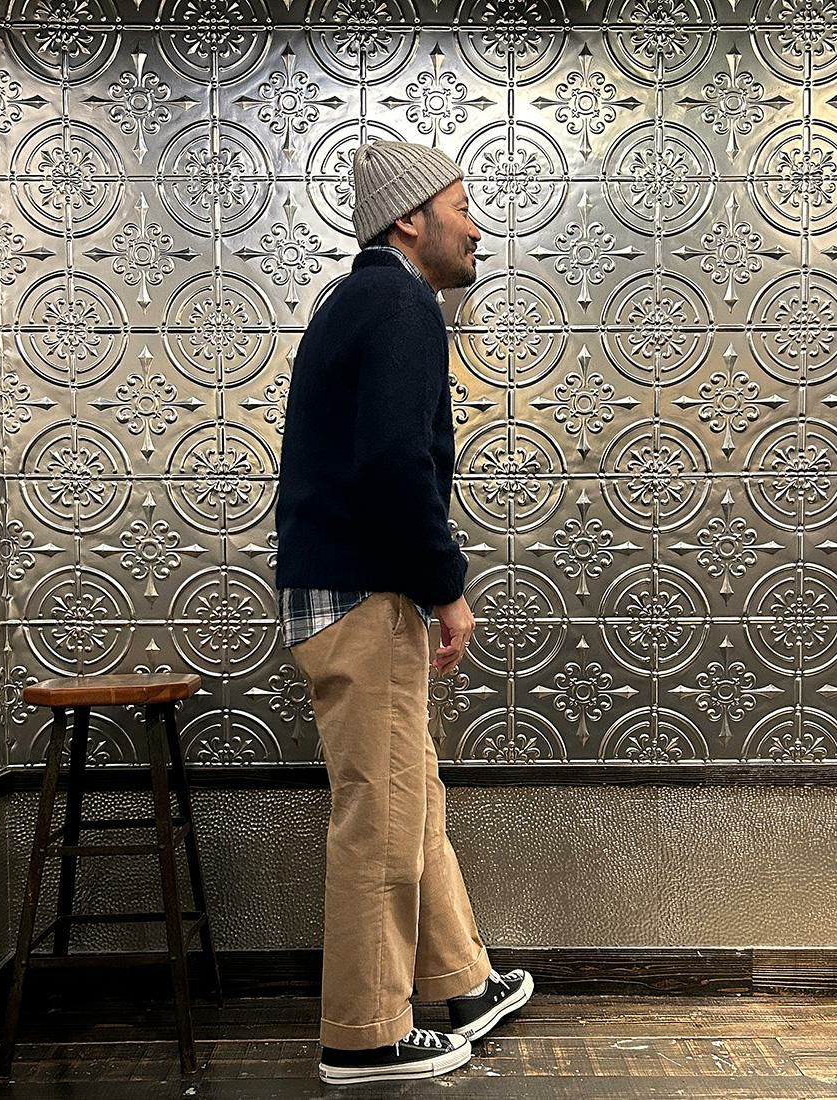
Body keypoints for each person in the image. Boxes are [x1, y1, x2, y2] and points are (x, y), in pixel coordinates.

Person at [274, 140, 534, 1085]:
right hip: (365, 595)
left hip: (346, 590)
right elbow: (394, 465)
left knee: (406, 794)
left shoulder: (361, 303)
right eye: (462, 206)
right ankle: (364, 1034)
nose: (478, 228)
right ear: (410, 218)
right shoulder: (400, 305)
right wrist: (445, 586)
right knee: (379, 817)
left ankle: (462, 983)